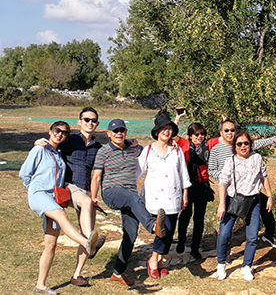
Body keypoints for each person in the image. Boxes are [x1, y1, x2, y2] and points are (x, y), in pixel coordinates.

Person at [19, 121, 101, 295]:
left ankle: (40, 285)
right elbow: (24, 174)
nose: (60, 134)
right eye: (57, 130)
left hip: (53, 198)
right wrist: (34, 189)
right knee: (61, 215)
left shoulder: (58, 153)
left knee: (51, 243)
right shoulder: (39, 149)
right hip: (40, 194)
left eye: (64, 133)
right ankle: (87, 244)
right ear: (50, 131)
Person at [34, 107, 106, 287]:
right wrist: (38, 143)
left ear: (97, 124)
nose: (90, 123)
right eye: (86, 119)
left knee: (87, 228)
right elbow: (51, 145)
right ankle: (90, 242)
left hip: (86, 192)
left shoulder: (98, 147)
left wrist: (132, 144)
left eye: (93, 120)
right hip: (66, 189)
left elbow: (98, 173)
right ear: (79, 121)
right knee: (52, 241)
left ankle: (77, 274)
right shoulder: (69, 139)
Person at [91, 119, 167, 287]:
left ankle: (117, 272)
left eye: (122, 130)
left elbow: (154, 151)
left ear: (125, 132)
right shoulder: (103, 152)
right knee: (134, 198)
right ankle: (153, 227)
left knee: (131, 235)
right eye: (115, 130)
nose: (119, 133)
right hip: (111, 192)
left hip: (130, 196)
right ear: (108, 134)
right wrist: (93, 196)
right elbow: (96, 176)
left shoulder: (135, 148)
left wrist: (170, 142)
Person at [208, 119, 276, 249]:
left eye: (232, 130)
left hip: (249, 190)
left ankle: (269, 234)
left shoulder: (241, 144)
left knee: (266, 206)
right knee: (227, 225)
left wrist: (273, 139)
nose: (230, 133)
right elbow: (211, 169)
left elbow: (257, 144)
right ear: (221, 133)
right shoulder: (216, 150)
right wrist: (225, 177)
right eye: (226, 130)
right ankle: (225, 252)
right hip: (232, 192)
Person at [138, 113, 191, 279]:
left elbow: (183, 174)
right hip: (154, 198)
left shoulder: (176, 151)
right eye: (163, 129)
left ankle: (159, 261)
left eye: (169, 129)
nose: (166, 132)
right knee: (163, 230)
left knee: (169, 230)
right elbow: (136, 171)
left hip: (173, 196)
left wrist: (185, 195)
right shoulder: (148, 151)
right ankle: (153, 260)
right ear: (156, 132)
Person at [216, 131, 274, 281]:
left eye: (246, 143)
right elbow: (222, 183)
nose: (243, 146)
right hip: (233, 201)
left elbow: (264, 177)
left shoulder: (257, 158)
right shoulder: (231, 161)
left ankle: (246, 266)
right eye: (239, 144)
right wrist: (221, 204)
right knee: (224, 234)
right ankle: (221, 264)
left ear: (250, 144)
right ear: (234, 146)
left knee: (252, 236)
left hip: (253, 201)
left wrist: (269, 196)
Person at [173, 117, 212, 260]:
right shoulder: (183, 144)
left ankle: (195, 248)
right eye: (196, 134)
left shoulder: (208, 145)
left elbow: (223, 138)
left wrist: (225, 120)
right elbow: (171, 133)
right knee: (185, 215)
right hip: (187, 187)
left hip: (202, 186)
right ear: (190, 136)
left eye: (202, 134)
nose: (200, 137)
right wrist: (177, 118)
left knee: (199, 218)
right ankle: (182, 240)